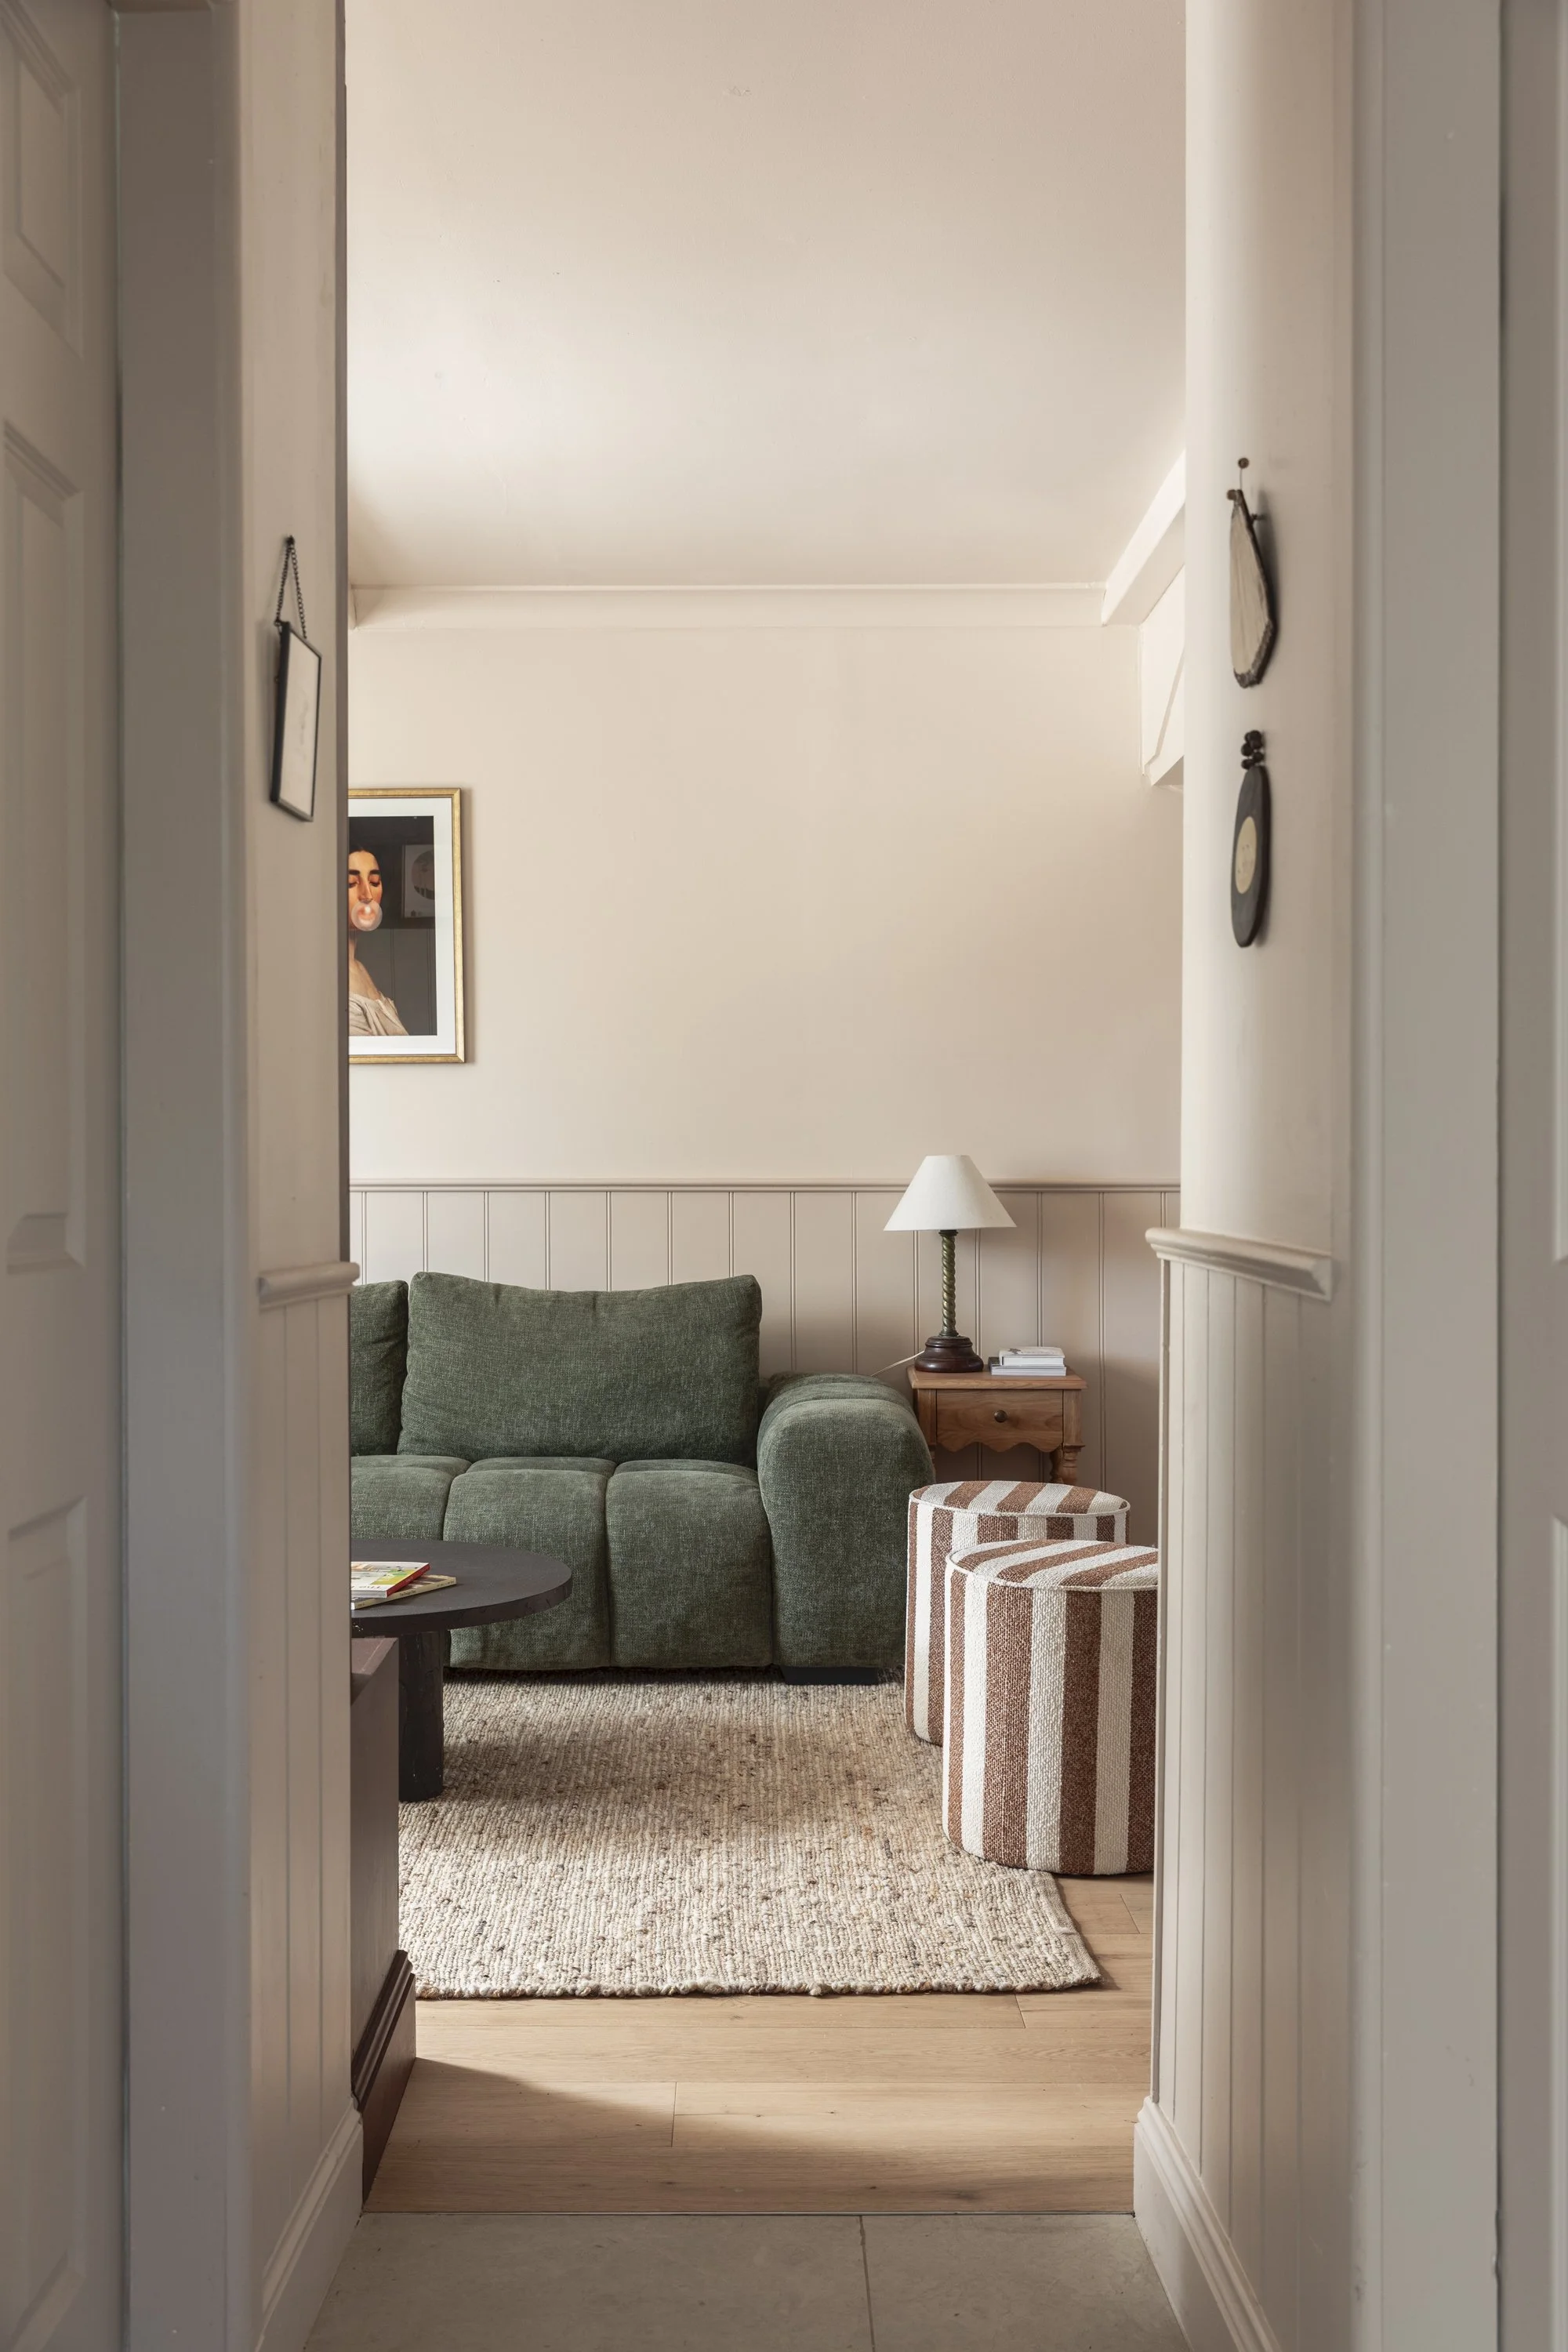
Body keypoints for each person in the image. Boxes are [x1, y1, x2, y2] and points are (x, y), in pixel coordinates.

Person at [347, 848, 408, 1036]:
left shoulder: (358, 966)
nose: (367, 895)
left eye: (374, 882)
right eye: (351, 883)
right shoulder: (329, 974)